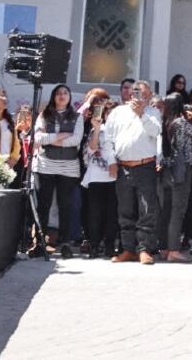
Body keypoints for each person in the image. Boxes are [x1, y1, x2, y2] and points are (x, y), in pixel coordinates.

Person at [105, 80, 162, 265]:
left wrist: (141, 114)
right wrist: (111, 161)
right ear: (131, 93)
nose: (141, 97)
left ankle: (144, 249)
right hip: (123, 166)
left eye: (145, 95)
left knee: (146, 209)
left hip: (145, 166)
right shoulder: (117, 112)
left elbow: (155, 131)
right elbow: (108, 139)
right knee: (125, 209)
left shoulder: (153, 113)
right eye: (138, 93)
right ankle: (128, 249)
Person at [34, 84, 84, 255]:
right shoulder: (44, 115)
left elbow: (76, 140)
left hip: (68, 167)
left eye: (65, 93)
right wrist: (61, 136)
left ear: (69, 97)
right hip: (46, 164)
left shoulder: (77, 117)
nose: (62, 96)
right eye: (58, 93)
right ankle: (40, 242)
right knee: (44, 204)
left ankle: (65, 243)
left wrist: (52, 140)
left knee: (65, 205)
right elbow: (39, 138)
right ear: (53, 97)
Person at [157, 92, 192, 263]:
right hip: (181, 170)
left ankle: (165, 247)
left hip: (167, 169)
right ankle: (174, 250)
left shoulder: (166, 122)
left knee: (167, 211)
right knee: (178, 211)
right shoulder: (181, 122)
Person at [80, 90, 117, 259]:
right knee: (94, 213)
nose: (110, 116)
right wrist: (95, 129)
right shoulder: (99, 128)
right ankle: (94, 245)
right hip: (95, 176)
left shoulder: (120, 131)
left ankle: (109, 246)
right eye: (108, 113)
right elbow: (92, 149)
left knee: (111, 214)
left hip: (114, 177)